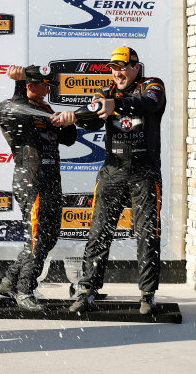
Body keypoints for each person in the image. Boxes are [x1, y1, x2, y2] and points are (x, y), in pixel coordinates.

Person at [53, 47, 166, 315]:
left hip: (145, 172)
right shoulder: (105, 93)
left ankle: (147, 295)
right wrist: (71, 119)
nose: (117, 73)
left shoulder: (152, 85)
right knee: (98, 232)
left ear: (135, 68)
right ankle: (87, 291)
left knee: (147, 235)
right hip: (113, 171)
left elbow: (150, 104)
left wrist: (118, 105)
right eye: (113, 68)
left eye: (122, 67)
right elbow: (91, 120)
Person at [0, 65, 77, 311]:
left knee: (47, 237)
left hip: (52, 179)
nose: (49, 89)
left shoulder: (45, 108)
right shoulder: (10, 106)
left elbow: (69, 139)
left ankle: (8, 282)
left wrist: (68, 122)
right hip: (31, 180)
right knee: (37, 238)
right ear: (30, 85)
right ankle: (24, 290)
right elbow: (19, 116)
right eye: (45, 85)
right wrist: (18, 83)